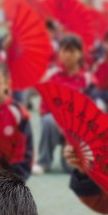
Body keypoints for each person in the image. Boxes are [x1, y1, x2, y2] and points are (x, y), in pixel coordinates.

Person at [35, 34, 92, 174]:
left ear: (80, 53)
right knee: (48, 121)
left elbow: (90, 109)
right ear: (59, 53)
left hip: (76, 126)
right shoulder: (51, 75)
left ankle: (69, 156)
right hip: (55, 121)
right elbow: (45, 106)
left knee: (71, 168)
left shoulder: (87, 79)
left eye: (72, 51)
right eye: (64, 50)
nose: (67, 55)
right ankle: (43, 162)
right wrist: (61, 122)